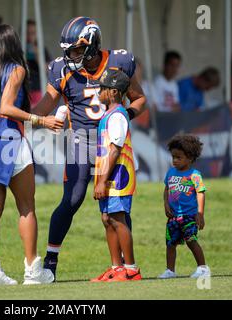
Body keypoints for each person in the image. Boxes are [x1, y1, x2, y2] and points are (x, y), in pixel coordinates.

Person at [32, 16, 147, 281]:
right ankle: (50, 262)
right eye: (68, 50)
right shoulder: (62, 69)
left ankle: (125, 267)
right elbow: (45, 106)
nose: (70, 55)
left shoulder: (118, 62)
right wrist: (29, 118)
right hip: (81, 139)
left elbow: (139, 100)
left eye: (76, 49)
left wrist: (120, 118)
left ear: (92, 45)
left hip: (111, 142)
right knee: (72, 199)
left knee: (116, 206)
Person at [0, 24, 63, 286]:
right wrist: (41, 120)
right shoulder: (16, 69)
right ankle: (32, 271)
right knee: (26, 207)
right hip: (9, 140)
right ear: (13, 45)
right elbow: (6, 107)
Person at [91, 68, 142, 282]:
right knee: (107, 218)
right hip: (109, 175)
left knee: (117, 219)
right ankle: (116, 268)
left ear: (112, 92)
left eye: (102, 89)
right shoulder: (107, 115)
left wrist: (102, 181)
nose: (98, 92)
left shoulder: (118, 116)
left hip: (119, 177)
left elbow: (114, 150)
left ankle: (130, 269)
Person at [158, 134, 210, 279]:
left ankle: (203, 268)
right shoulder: (170, 173)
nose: (174, 160)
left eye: (178, 157)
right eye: (173, 157)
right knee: (170, 244)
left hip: (189, 216)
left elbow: (201, 193)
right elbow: (166, 189)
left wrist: (200, 213)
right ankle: (170, 271)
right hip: (174, 217)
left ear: (190, 158)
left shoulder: (194, 175)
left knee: (191, 240)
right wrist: (166, 204)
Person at [25, 19, 52, 106]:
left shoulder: (42, 49)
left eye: (32, 33)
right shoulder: (18, 48)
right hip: (22, 89)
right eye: (27, 33)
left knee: (35, 117)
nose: (29, 36)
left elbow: (48, 69)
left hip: (37, 89)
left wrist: (37, 55)